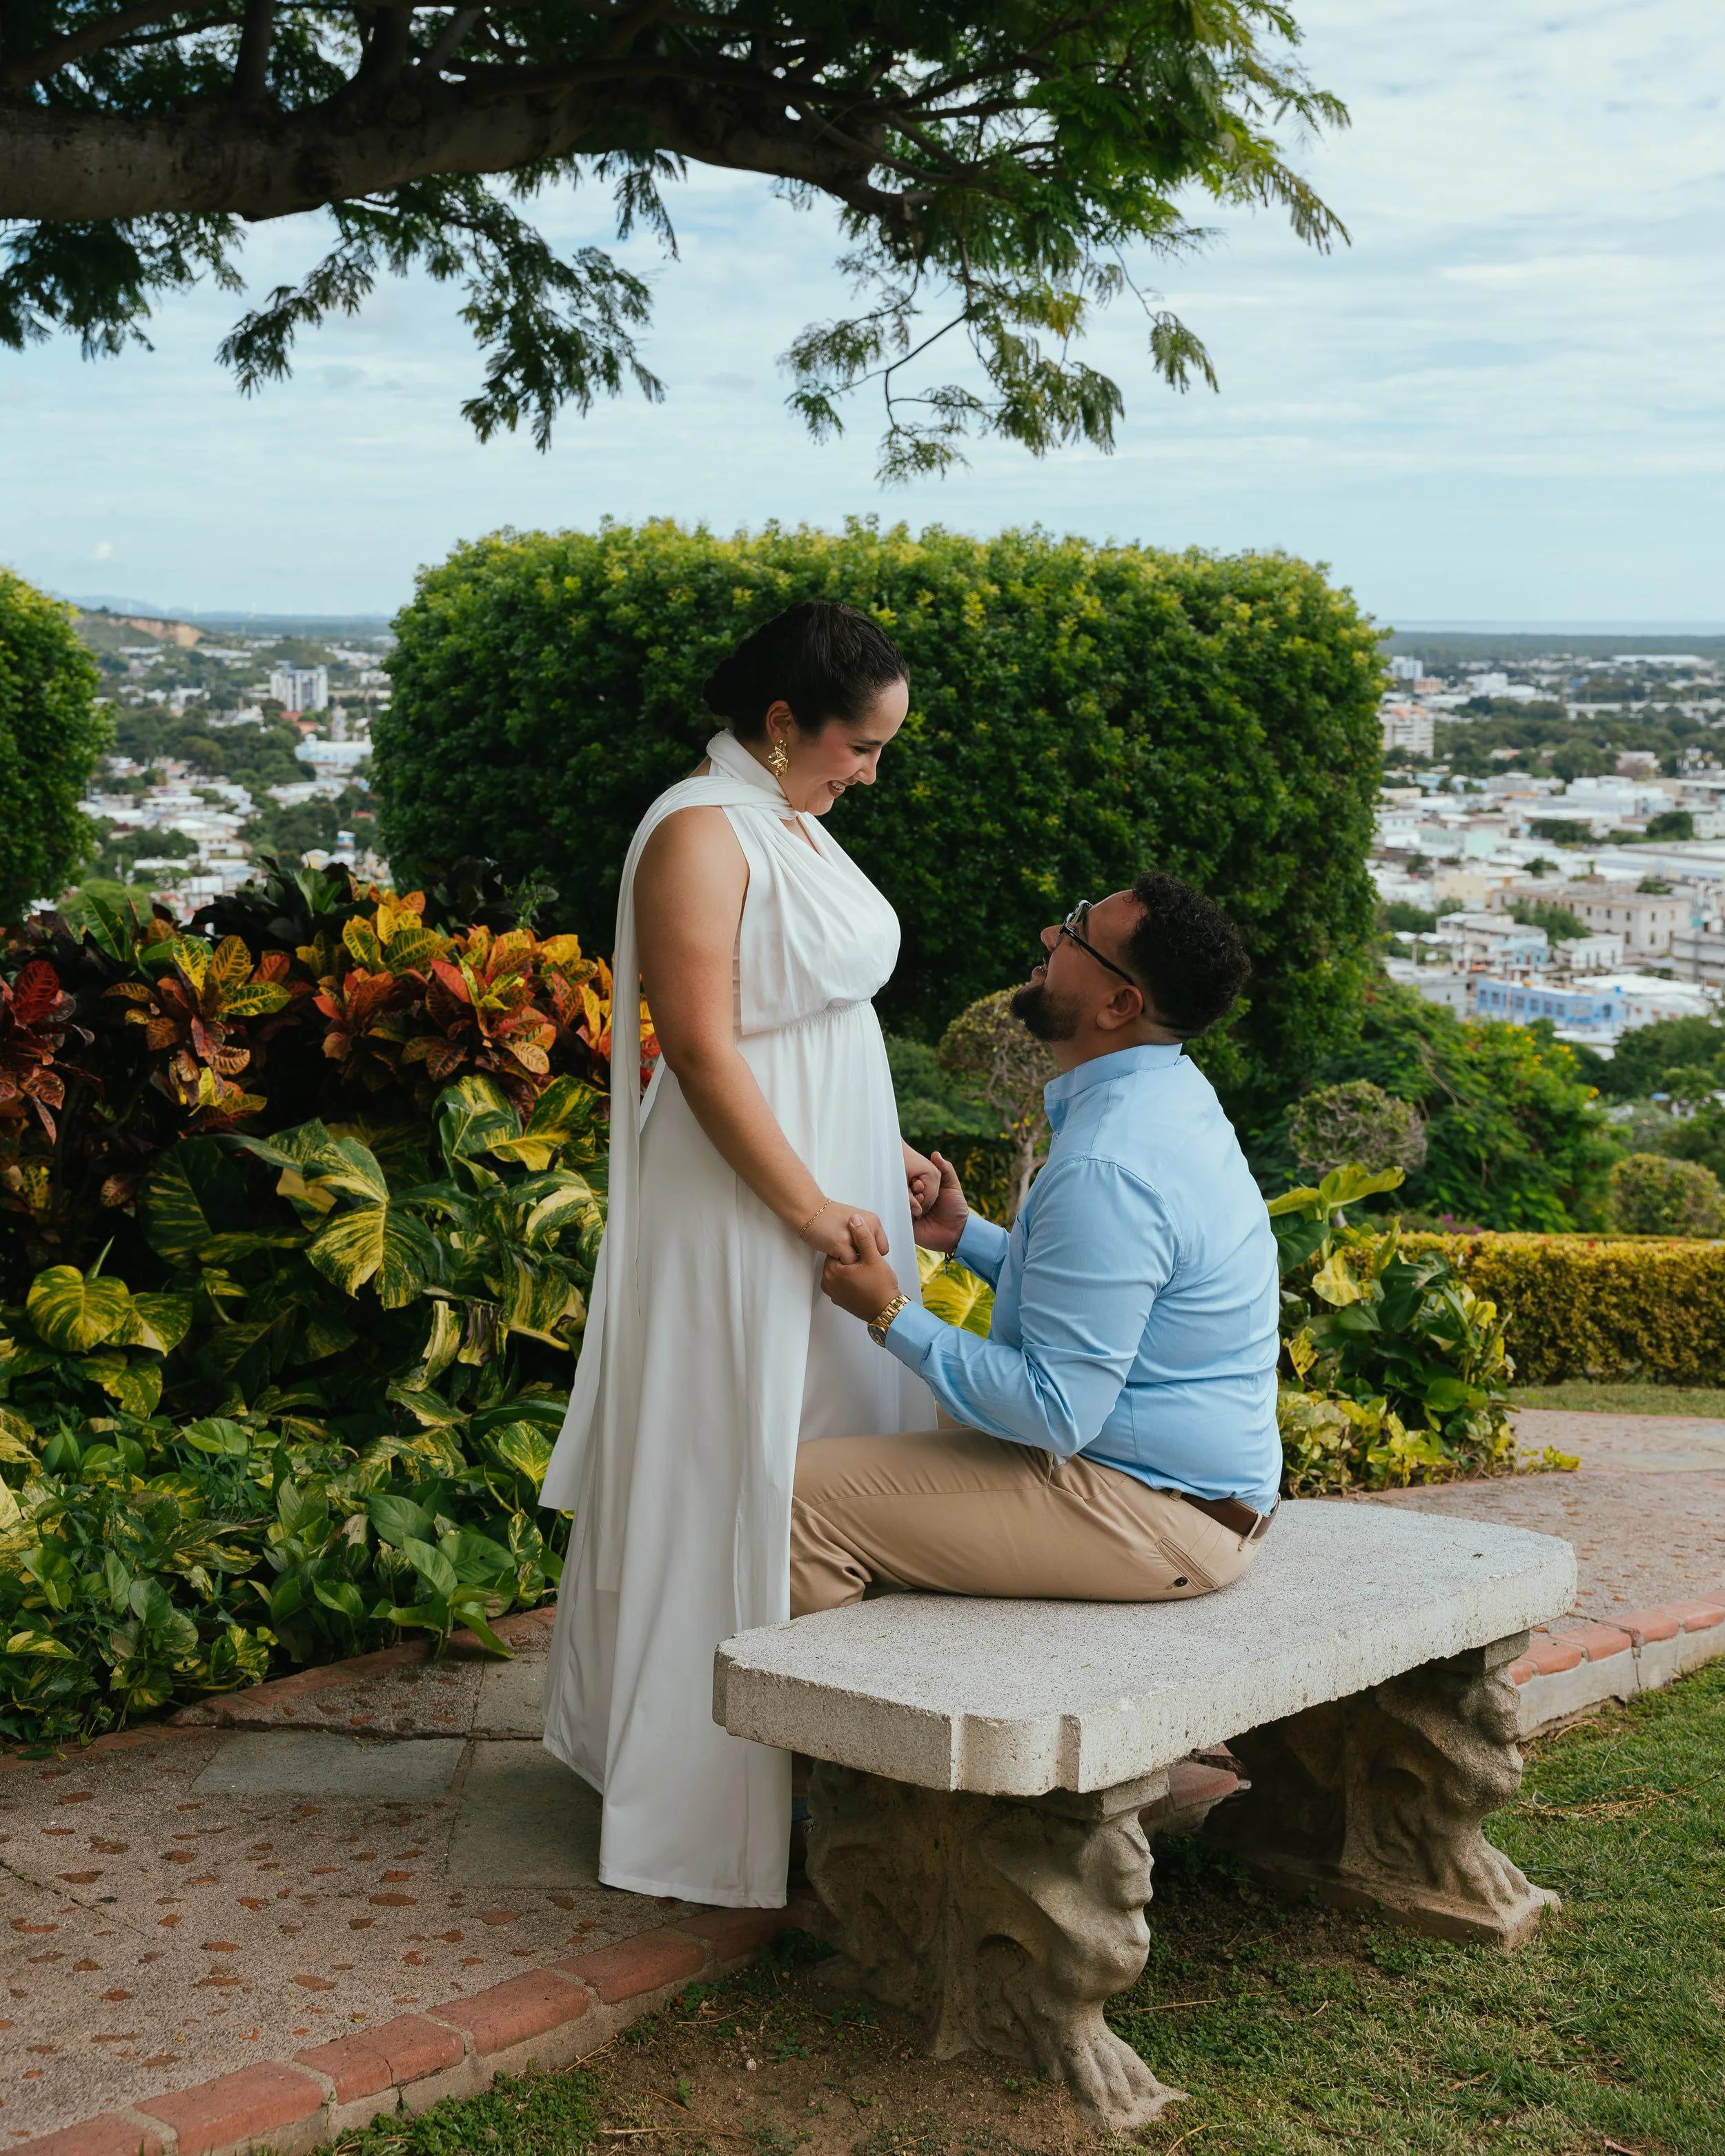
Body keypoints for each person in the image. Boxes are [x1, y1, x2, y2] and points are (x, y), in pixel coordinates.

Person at [540, 601, 938, 1908]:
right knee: (736, 1450)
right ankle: (701, 1797)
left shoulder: (787, 823)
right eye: (860, 746)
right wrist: (808, 1205)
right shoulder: (701, 832)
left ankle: (831, 1755)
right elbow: (702, 1049)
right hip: (745, 1194)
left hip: (829, 1171)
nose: (871, 772)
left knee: (833, 1439)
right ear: (781, 722)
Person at [793, 873, 1281, 1615]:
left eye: (1076, 931)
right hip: (1174, 1481)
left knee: (788, 1499)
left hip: (1154, 1511)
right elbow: (1112, 1303)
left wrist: (889, 1310)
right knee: (868, 1414)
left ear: (1119, 1005)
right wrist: (965, 1235)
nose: (1050, 938)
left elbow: (1055, 1410)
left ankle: (855, 1719)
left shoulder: (1105, 1166)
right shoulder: (1169, 1093)